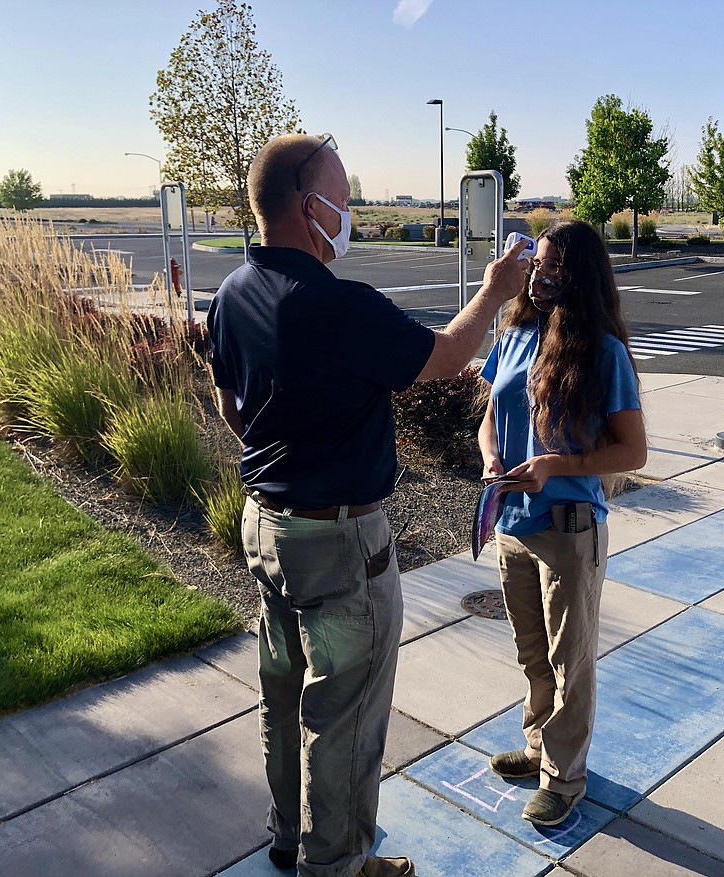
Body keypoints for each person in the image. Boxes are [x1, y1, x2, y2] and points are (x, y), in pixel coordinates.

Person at [206, 132, 527, 877]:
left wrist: (278, 449)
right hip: (339, 546)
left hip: (267, 528)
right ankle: (339, 864)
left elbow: (229, 404)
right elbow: (447, 358)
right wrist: (496, 289)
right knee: (343, 717)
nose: (350, 214)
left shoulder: (231, 295)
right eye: (343, 202)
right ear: (306, 206)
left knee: (283, 694)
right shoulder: (339, 306)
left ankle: (289, 838)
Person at [477, 219, 648, 827]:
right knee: (533, 655)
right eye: (538, 264)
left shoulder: (603, 352)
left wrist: (556, 465)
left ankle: (564, 776)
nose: (541, 275)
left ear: (581, 278)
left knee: (569, 659)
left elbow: (633, 452)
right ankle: (537, 746)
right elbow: (490, 412)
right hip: (512, 522)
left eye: (554, 267)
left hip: (570, 528)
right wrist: (491, 454)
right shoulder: (517, 332)